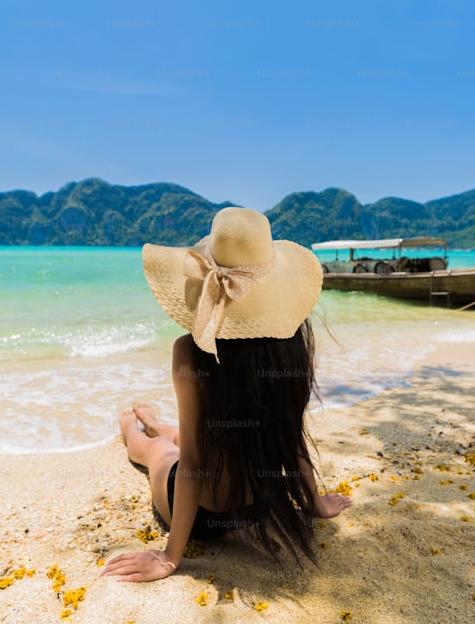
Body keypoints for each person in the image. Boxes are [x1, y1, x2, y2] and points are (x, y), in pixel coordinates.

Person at [101, 207, 352, 582]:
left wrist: (171, 556)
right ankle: (156, 422)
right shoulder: (292, 346)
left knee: (160, 452)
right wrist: (313, 503)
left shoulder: (189, 349)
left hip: (203, 515)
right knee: (193, 437)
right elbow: (292, 434)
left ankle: (134, 429)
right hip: (261, 505)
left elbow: (194, 462)